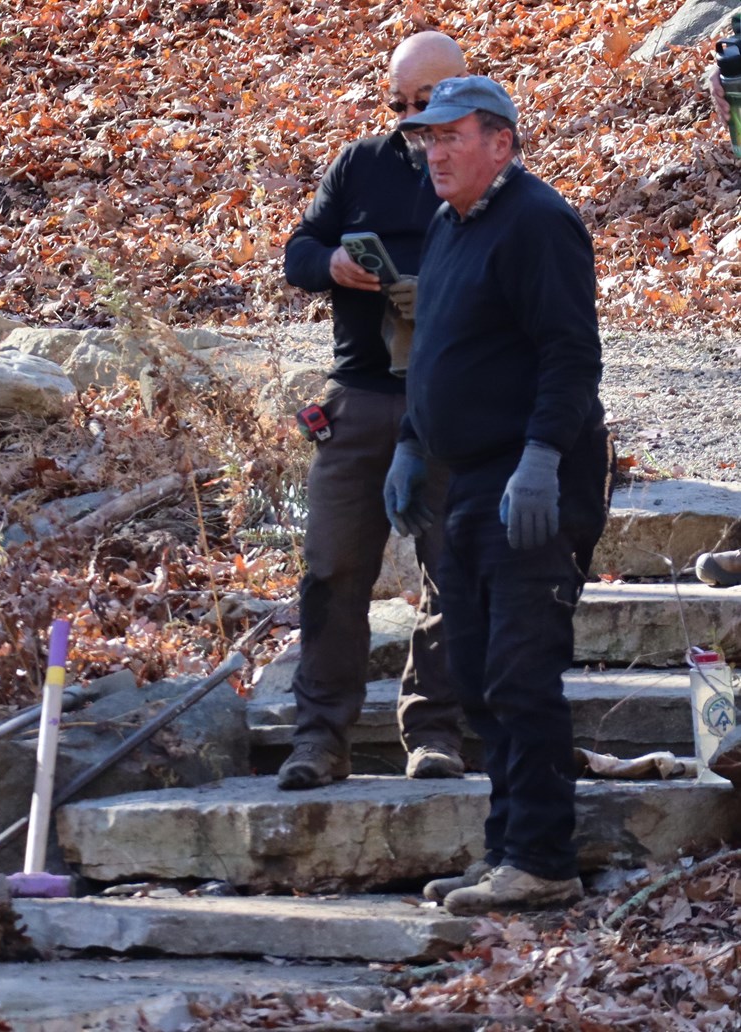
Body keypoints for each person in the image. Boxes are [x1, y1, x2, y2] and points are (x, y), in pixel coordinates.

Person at [384, 76, 612, 915]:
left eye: (450, 138)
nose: (434, 152)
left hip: (536, 486)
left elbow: (570, 356)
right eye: (425, 140)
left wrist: (544, 456)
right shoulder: (450, 225)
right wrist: (411, 443)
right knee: (477, 675)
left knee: (522, 672)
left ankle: (545, 860)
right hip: (470, 481)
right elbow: (433, 348)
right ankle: (504, 852)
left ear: (501, 144)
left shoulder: (539, 223)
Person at [277, 31, 469, 791]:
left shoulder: (485, 169)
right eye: (401, 106)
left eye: (429, 104)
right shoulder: (361, 163)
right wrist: (333, 265)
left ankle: (436, 731)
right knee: (331, 570)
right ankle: (320, 738)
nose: (414, 121)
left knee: (454, 577)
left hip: (451, 402)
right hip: (359, 397)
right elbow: (298, 249)